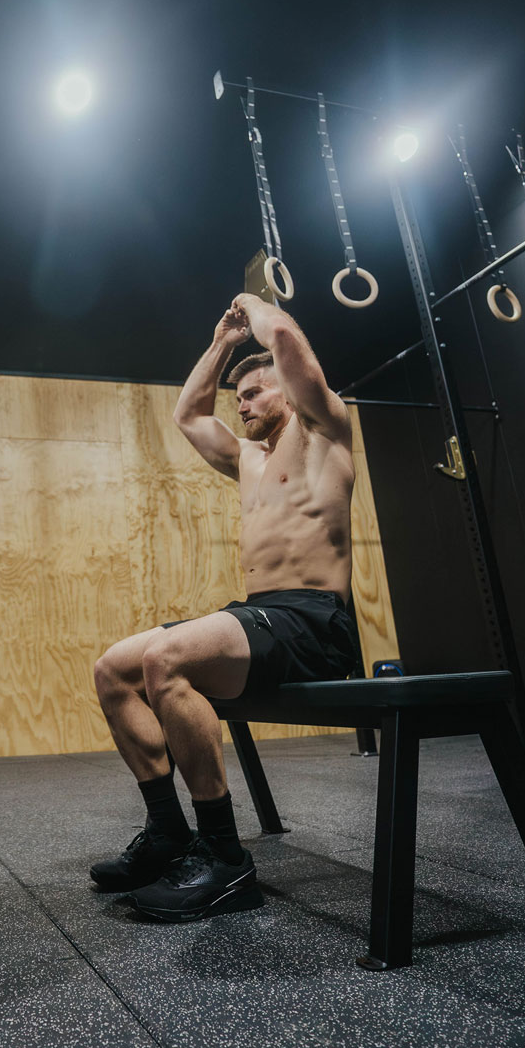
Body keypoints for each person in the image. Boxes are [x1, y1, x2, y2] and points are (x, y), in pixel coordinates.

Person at [90, 292, 360, 921]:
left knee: (166, 660)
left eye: (255, 394)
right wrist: (222, 344)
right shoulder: (248, 459)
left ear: (289, 395)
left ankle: (223, 856)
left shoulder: (325, 432)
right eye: (238, 398)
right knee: (114, 670)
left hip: (312, 622)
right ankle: (168, 833)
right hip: (261, 615)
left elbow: (290, 348)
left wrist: (253, 305)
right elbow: (188, 414)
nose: (242, 406)